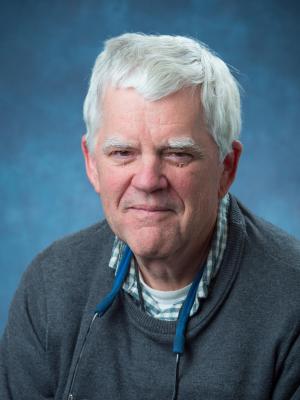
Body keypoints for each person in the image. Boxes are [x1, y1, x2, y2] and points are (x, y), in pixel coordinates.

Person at [1, 33, 300, 400]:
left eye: (177, 154)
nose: (147, 181)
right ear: (91, 164)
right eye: (123, 152)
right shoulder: (49, 287)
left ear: (226, 168)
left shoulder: (292, 304)